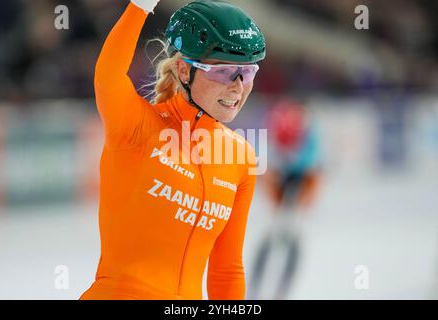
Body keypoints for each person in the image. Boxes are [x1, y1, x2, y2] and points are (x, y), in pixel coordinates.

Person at [80, 0, 266, 300]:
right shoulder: (137, 126)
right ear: (183, 70)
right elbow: (108, 75)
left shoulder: (240, 157)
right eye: (224, 72)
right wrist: (140, 6)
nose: (237, 87)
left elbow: (226, 270)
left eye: (247, 73)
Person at [248, 98, 321, 300]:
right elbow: (266, 178)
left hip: (300, 178)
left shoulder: (311, 147)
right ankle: (254, 288)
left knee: (294, 235)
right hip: (279, 176)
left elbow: (312, 181)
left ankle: (282, 291)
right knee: (271, 233)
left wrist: (298, 209)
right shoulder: (268, 142)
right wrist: (276, 207)